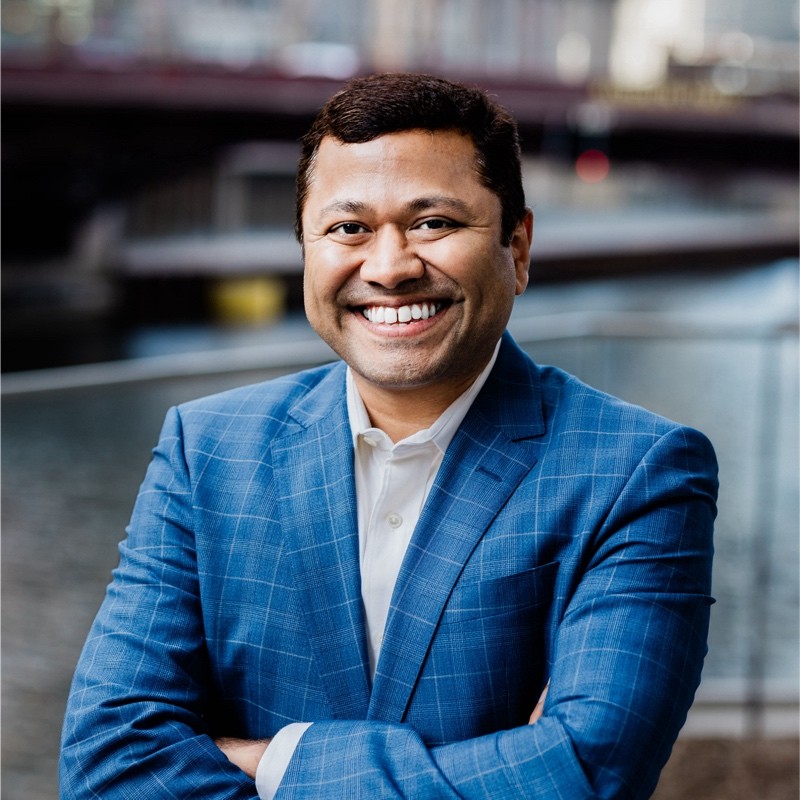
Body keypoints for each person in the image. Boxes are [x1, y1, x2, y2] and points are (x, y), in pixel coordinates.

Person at [60, 73, 717, 799]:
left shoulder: (638, 470)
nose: (391, 267)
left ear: (517, 246)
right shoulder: (206, 448)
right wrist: (507, 763)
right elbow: (107, 762)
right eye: (349, 229)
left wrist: (276, 764)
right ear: (306, 250)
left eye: (434, 222)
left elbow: (586, 773)